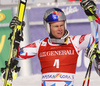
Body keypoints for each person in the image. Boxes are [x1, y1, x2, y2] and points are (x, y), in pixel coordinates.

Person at [1, 0, 100, 86]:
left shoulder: (74, 42)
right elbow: (17, 54)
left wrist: (92, 16)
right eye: (56, 26)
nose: (60, 29)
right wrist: (16, 36)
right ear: (48, 27)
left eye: (62, 25)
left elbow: (94, 38)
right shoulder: (40, 44)